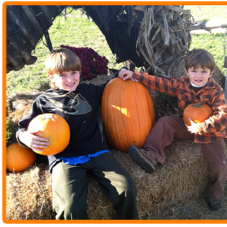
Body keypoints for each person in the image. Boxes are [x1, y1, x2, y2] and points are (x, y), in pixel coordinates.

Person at [16, 48, 139, 220]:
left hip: (96, 152)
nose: (70, 79)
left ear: (80, 72)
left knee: (126, 189)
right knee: (70, 207)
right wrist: (25, 137)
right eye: (62, 75)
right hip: (64, 158)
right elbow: (22, 128)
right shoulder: (43, 101)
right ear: (51, 76)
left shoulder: (90, 91)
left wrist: (122, 72)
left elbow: (112, 86)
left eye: (74, 73)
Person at [118, 48, 227, 211]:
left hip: (209, 132)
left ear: (211, 73)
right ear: (187, 71)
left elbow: (223, 115)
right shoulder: (182, 84)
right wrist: (135, 75)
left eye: (203, 72)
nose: (198, 76)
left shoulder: (215, 90)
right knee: (165, 122)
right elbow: (160, 83)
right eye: (194, 71)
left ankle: (215, 195)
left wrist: (203, 126)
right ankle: (151, 155)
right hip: (187, 125)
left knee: (221, 167)